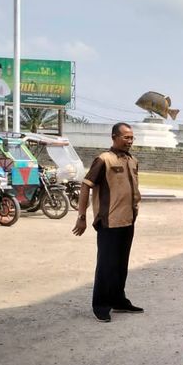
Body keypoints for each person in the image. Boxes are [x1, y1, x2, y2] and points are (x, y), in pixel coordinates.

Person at [72, 122, 143, 322]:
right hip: (109, 222)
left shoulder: (132, 160)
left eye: (132, 138)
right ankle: (101, 306)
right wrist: (82, 217)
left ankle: (119, 300)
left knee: (121, 264)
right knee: (106, 265)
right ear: (114, 137)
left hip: (128, 220)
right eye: (126, 137)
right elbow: (86, 186)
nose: (130, 141)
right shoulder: (104, 160)